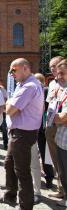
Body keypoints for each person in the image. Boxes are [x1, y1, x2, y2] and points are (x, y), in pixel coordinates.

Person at [0, 58, 44, 210]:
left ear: (25, 68)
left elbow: (9, 109)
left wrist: (9, 102)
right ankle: (9, 196)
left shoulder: (28, 86)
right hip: (18, 132)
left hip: (23, 134)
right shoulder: (24, 84)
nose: (11, 73)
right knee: (9, 164)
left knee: (22, 171)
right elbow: (10, 104)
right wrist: (10, 101)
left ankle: (25, 206)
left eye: (13, 70)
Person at [45, 56, 65, 198]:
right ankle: (60, 188)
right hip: (51, 125)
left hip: (62, 124)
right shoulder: (52, 84)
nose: (52, 69)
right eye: (51, 66)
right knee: (55, 158)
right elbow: (49, 104)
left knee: (63, 159)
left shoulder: (65, 83)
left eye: (55, 66)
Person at [34, 73, 55, 189]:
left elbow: (49, 108)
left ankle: (49, 177)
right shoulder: (34, 91)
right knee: (39, 153)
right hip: (35, 127)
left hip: (45, 127)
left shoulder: (46, 90)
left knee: (46, 153)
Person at [53, 59, 67, 207]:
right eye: (57, 74)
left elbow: (63, 117)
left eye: (62, 73)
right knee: (63, 171)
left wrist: (54, 117)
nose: (58, 77)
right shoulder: (63, 91)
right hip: (61, 138)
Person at [0, 77, 9, 150]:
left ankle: (5, 144)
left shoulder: (3, 90)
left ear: (1, 83)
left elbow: (6, 99)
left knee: (4, 129)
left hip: (2, 112)